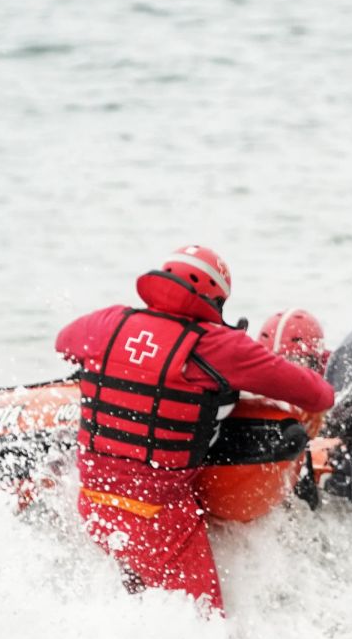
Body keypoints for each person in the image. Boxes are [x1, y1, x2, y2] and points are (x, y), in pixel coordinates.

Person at [54, 245, 334, 612]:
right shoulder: (217, 345)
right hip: (158, 514)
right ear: (214, 299)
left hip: (93, 502)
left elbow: (64, 343)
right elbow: (318, 395)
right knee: (205, 624)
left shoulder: (108, 322)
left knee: (132, 601)